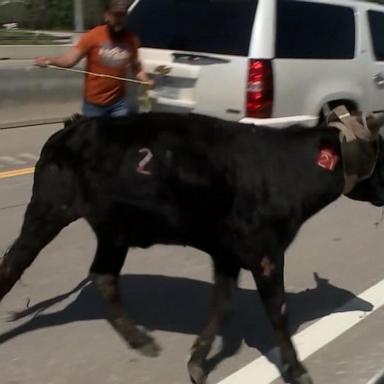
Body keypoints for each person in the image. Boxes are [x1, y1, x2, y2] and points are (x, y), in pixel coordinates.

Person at [35, 0, 153, 117]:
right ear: (106, 15)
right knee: (94, 135)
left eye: (122, 15)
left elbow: (136, 67)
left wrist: (146, 80)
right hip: (94, 106)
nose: (118, 19)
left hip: (118, 104)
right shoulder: (93, 35)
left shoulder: (131, 39)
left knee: (119, 135)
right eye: (115, 15)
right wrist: (49, 60)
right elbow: (68, 61)